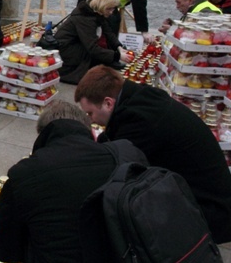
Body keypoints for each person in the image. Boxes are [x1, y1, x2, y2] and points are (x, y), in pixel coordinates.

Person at [75, 65, 231, 244]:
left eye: (90, 113)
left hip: (209, 212)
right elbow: (114, 134)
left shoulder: (141, 121)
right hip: (213, 198)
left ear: (108, 103)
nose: (91, 120)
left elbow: (114, 167)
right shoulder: (140, 99)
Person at [0, 101, 147, 263]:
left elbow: (6, 251)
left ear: (43, 135)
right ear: (91, 132)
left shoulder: (23, 174)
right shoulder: (128, 154)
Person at [55, 0, 133, 84]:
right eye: (109, 9)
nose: (111, 12)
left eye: (113, 9)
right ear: (102, 6)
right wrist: (117, 56)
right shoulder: (85, 18)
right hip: (67, 50)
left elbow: (109, 33)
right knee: (93, 56)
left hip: (76, 46)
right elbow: (92, 48)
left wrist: (119, 47)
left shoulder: (97, 13)